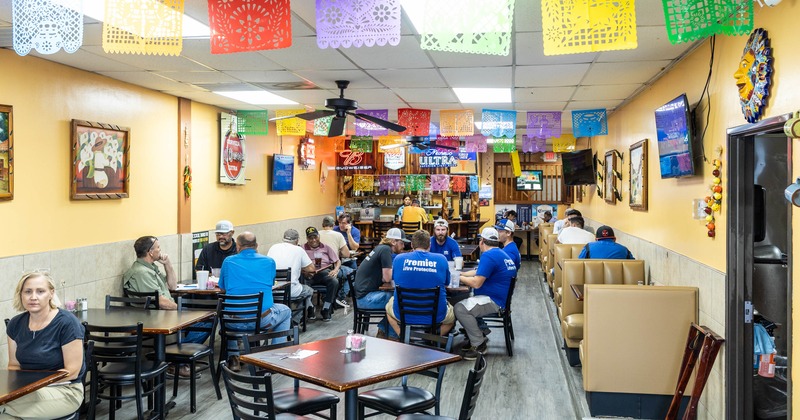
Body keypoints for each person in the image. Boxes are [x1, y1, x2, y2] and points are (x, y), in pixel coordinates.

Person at [122, 236, 210, 377]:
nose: (160, 250)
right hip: (155, 317)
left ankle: (175, 359)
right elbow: (161, 302)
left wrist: (167, 264)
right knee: (206, 322)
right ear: (150, 252)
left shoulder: (150, 268)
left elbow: (172, 286)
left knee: (204, 320)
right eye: (158, 247)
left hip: (164, 313)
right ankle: (174, 361)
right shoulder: (141, 273)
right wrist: (181, 310)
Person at [1, 271, 85, 419]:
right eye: (28, 291)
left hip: (65, 391)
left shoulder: (67, 323)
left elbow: (72, 372)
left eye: (40, 291)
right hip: (27, 392)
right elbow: (14, 366)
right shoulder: (15, 324)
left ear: (51, 293)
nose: (33, 297)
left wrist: (34, 386)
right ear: (21, 294)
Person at [218, 232, 291, 371]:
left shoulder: (228, 261)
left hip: (234, 323)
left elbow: (223, 288)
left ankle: (233, 358)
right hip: (262, 320)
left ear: (238, 246)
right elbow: (270, 283)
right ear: (257, 246)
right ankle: (274, 358)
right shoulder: (269, 262)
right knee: (286, 311)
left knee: (225, 313)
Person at [454, 227, 517, 360]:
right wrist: (460, 274)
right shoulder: (500, 253)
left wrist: (457, 278)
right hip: (500, 299)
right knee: (468, 301)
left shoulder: (488, 256)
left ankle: (479, 345)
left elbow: (476, 283)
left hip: (494, 302)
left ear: (482, 241)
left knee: (460, 308)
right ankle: (480, 332)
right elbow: (478, 271)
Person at [386, 230, 455, 336]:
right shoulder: (442, 259)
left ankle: (403, 336)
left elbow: (395, 278)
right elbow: (446, 283)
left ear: (412, 245)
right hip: (436, 315)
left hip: (404, 314)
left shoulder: (399, 259)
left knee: (388, 308)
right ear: (430, 245)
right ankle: (430, 338)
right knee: (452, 317)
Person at [354, 228, 409, 338]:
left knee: (397, 298)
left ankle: (383, 331)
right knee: (399, 301)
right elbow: (387, 278)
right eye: (401, 242)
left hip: (363, 295)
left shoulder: (381, 248)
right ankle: (391, 335)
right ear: (393, 242)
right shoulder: (385, 250)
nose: (403, 246)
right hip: (365, 299)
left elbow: (385, 277)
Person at [267, 229, 317, 325]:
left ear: (283, 239)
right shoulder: (299, 249)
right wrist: (301, 269)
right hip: (291, 290)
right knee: (309, 291)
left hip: (273, 289)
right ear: (297, 240)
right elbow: (311, 269)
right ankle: (295, 320)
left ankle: (286, 318)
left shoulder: (273, 247)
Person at [303, 227, 341, 322]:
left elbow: (337, 261)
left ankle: (326, 308)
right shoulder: (302, 248)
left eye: (315, 237)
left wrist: (335, 270)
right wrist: (305, 271)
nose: (313, 240)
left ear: (319, 236)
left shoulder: (325, 247)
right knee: (302, 282)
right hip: (308, 274)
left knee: (334, 282)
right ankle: (310, 307)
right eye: (310, 238)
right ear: (307, 239)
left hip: (323, 273)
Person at [319, 215, 353, 307]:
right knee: (353, 273)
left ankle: (325, 296)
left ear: (322, 225)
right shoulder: (338, 235)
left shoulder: (316, 235)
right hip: (333, 269)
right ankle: (340, 297)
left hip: (318, 270)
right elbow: (347, 254)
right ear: (333, 225)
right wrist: (338, 252)